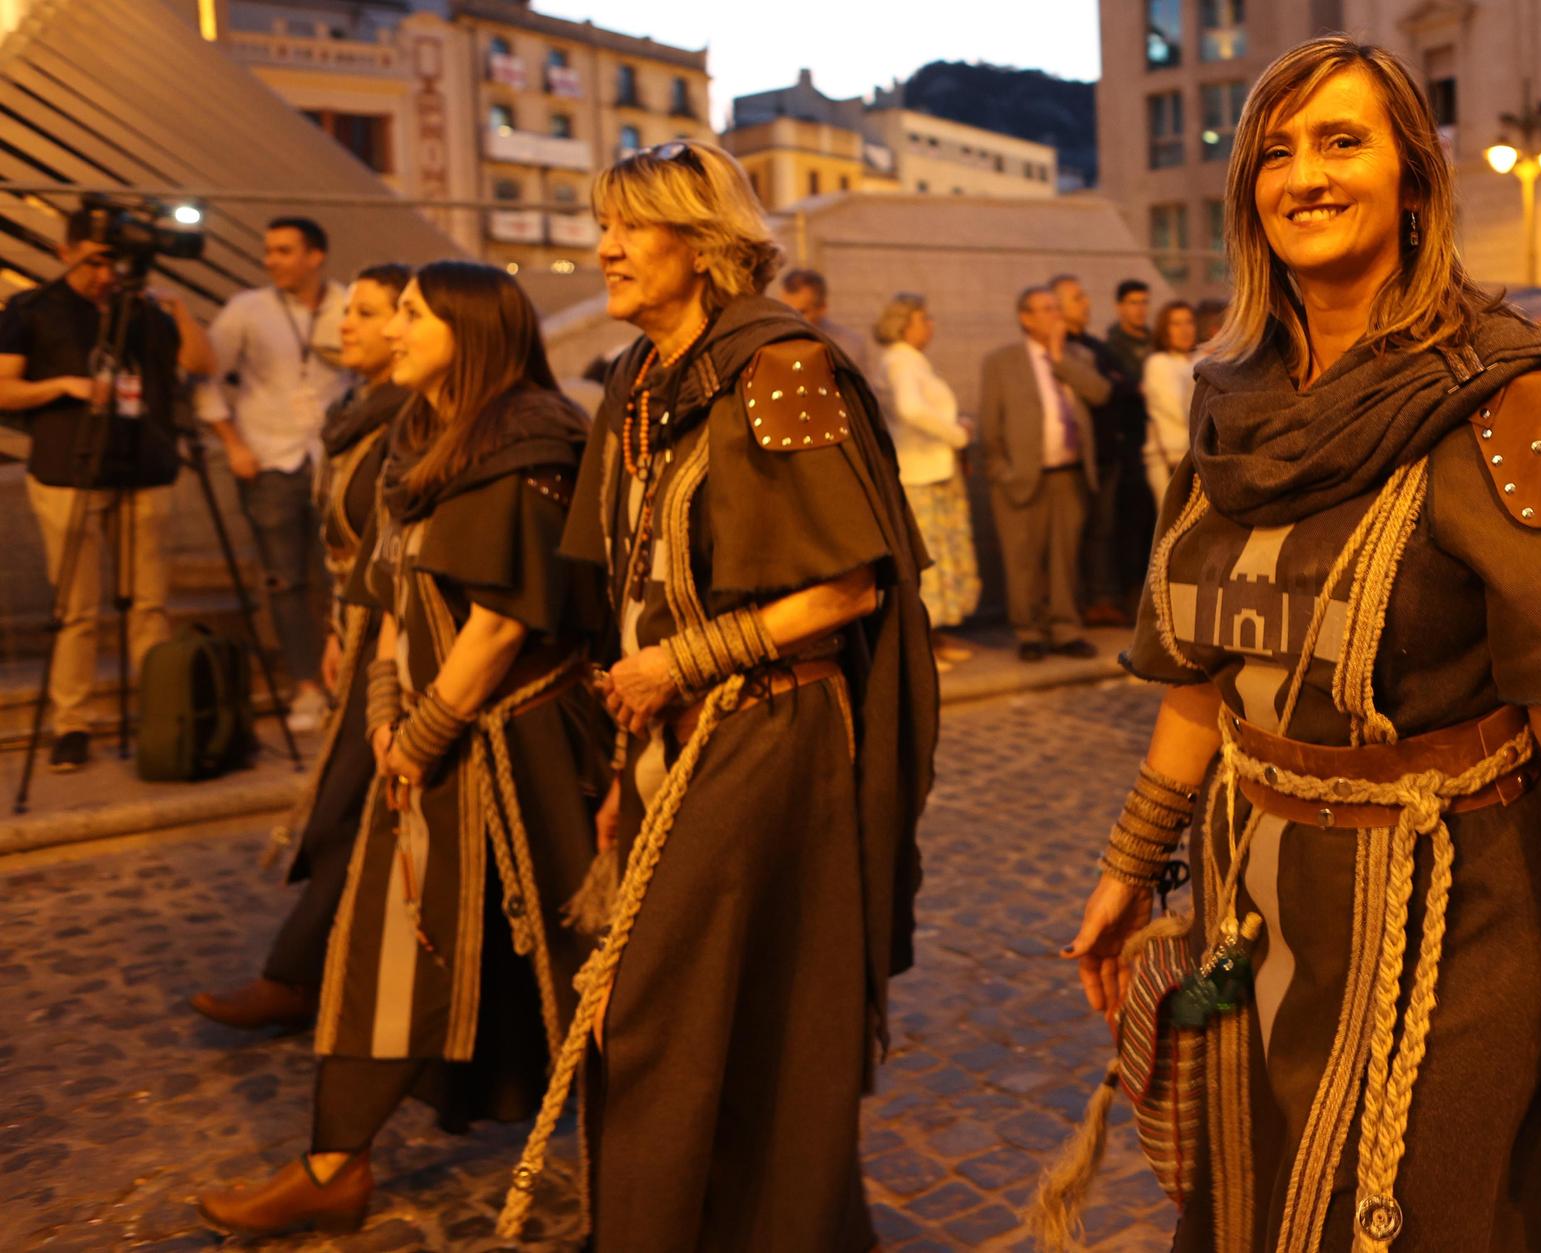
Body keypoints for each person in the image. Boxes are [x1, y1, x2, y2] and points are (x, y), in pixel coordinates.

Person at [1049, 36, 1541, 1253]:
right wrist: (1128, 862)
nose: (1302, 174)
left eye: (1340, 141)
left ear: (1413, 179)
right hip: (1253, 899)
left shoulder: (1510, 394)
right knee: (1252, 1203)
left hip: (1457, 918)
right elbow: (1205, 670)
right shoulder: (1228, 401)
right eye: (1275, 152)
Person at [500, 140, 938, 1251]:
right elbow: (633, 583)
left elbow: (847, 580)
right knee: (708, 1012)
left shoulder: (782, 367)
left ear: (701, 245)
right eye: (601, 223)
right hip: (672, 735)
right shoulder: (636, 382)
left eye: (628, 228)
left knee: (660, 1007)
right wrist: (627, 751)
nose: (602, 248)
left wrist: (680, 666)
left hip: (770, 728)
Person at [194, 261, 601, 1237]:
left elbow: (501, 623)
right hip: (427, 740)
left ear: (470, 329)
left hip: (518, 752)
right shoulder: (415, 434)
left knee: (576, 959)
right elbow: (388, 599)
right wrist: (387, 705)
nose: (392, 325)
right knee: (385, 945)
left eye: (413, 312)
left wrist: (417, 734)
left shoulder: (532, 437)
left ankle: (677, 1152)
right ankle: (336, 1161)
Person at [190, 263, 411, 1033]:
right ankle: (313, 970)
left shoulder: (414, 415)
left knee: (350, 806)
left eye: (370, 311)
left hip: (395, 643)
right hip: (355, 630)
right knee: (342, 808)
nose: (346, 324)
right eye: (347, 310)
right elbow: (342, 537)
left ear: (407, 326)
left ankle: (299, 972)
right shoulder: (354, 408)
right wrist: (331, 626)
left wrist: (367, 634)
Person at [0, 206, 212, 772]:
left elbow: (198, 362)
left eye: (112, 262)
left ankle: (157, 714)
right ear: (66, 252)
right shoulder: (32, 308)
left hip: (144, 466)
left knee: (149, 604)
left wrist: (176, 308)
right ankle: (72, 723)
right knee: (77, 609)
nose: (105, 274)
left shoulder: (140, 309)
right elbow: (3, 390)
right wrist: (66, 385)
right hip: (67, 471)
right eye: (95, 261)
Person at [198, 217, 350, 733]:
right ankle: (306, 686)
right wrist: (234, 445)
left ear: (316, 256)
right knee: (286, 580)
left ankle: (348, 679)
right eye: (269, 251)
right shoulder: (248, 310)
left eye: (284, 251)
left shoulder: (348, 304)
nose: (271, 261)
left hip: (334, 460)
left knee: (344, 575)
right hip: (267, 458)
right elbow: (205, 376)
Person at [979, 286, 1111, 661]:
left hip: (1069, 475)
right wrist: (1000, 470)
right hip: (1020, 476)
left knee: (1064, 560)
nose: (1056, 315)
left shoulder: (1076, 355)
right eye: (1046, 309)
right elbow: (991, 424)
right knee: (1023, 559)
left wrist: (1058, 358)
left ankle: (1065, 629)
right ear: (1026, 317)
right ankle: (1030, 632)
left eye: (1057, 308)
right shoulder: (1001, 362)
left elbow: (1100, 393)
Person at [876, 290, 980, 667]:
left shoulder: (911, 361)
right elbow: (910, 409)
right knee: (929, 559)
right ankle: (922, 645)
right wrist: (956, 434)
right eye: (924, 318)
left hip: (932, 470)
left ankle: (934, 636)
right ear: (905, 324)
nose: (930, 325)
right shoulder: (902, 362)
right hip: (921, 473)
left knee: (940, 556)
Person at [1054, 274, 1151, 628]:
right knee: (1083, 533)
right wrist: (1117, 386)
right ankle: (1086, 602)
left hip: (1114, 454)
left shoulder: (1095, 346)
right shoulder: (1059, 349)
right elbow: (1106, 389)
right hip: (1082, 457)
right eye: (1078, 298)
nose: (1086, 304)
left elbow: (1123, 384)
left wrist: (1118, 386)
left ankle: (1103, 599)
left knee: (1106, 531)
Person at [1140, 298, 1197, 507]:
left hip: (1200, 461)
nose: (1184, 330)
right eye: (1176, 324)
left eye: (1188, 322)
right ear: (1164, 329)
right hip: (1171, 461)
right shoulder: (1158, 364)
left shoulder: (1200, 361)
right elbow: (1179, 410)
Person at [775, 265, 869, 365]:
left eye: (801, 312)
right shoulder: (771, 344)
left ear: (822, 308)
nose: (792, 320)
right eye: (786, 311)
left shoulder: (848, 347)